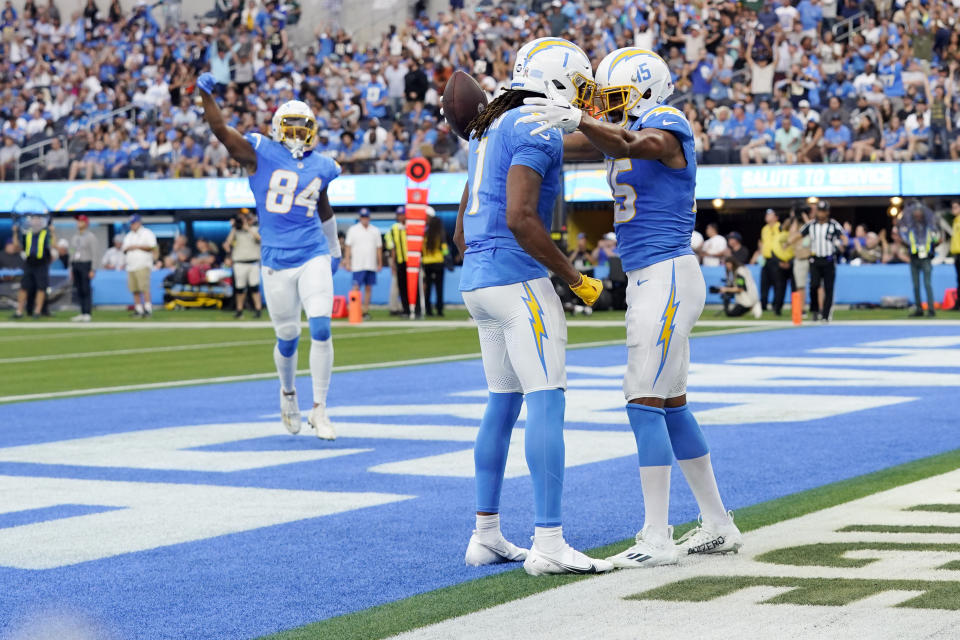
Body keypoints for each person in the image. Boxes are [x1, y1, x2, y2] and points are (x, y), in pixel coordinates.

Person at [520, 47, 742, 568]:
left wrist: (578, 117)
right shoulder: (613, 133)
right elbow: (570, 141)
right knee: (671, 403)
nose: (606, 107)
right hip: (649, 279)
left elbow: (636, 142)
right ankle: (718, 523)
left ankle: (657, 536)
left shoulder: (665, 122)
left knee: (641, 398)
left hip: (667, 273)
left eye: (616, 97)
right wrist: (524, 120)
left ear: (645, 91)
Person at [453, 37, 610, 577]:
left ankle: (486, 534)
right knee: (547, 399)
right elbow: (522, 217)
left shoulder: (492, 126)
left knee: (501, 403)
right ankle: (549, 542)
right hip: (518, 281)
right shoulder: (534, 127)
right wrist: (574, 277)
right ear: (557, 79)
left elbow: (461, 227)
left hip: (478, 279)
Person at [197, 71, 341, 440]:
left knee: (321, 327)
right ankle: (288, 393)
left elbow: (323, 208)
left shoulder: (322, 165)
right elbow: (221, 131)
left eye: (302, 127)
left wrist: (334, 249)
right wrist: (204, 95)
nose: (296, 133)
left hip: (313, 253)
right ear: (278, 128)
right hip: (277, 259)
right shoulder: (259, 152)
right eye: (290, 126)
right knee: (289, 336)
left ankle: (320, 409)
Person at [796, 200, 844, 322]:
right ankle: (815, 310)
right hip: (815, 259)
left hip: (828, 259)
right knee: (813, 285)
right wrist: (787, 243)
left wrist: (843, 243)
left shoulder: (833, 225)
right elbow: (799, 234)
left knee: (828, 288)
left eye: (823, 211)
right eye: (819, 211)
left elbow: (843, 237)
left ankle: (826, 314)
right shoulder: (811, 225)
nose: (821, 214)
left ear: (827, 212)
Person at [898, 202, 939, 317]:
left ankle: (931, 310)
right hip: (914, 258)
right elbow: (905, 239)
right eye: (915, 212)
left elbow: (936, 239)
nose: (917, 214)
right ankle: (919, 309)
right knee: (915, 285)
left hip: (925, 258)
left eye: (919, 212)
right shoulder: (910, 228)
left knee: (927, 284)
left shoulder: (929, 227)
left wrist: (933, 245)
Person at [343, 209, 382, 320]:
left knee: (369, 288)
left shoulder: (375, 230)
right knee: (356, 287)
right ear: (360, 218)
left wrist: (379, 262)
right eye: (363, 217)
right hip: (358, 264)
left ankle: (365, 310)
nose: (365, 219)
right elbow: (348, 246)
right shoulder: (353, 230)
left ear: (369, 218)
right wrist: (347, 261)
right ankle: (354, 309)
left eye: (366, 217)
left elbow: (378, 247)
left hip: (371, 264)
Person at [13, 215, 55, 319]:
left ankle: (37, 311)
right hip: (29, 262)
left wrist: (53, 232)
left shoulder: (45, 233)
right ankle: (19, 311)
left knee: (41, 287)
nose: (35, 222)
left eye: (37, 220)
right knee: (24, 287)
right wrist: (14, 232)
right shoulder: (27, 234)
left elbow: (54, 245)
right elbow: (17, 247)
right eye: (33, 220)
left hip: (41, 263)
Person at [225, 209, 263, 318]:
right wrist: (234, 228)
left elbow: (259, 238)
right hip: (240, 262)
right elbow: (227, 243)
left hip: (253, 262)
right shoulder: (236, 231)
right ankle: (239, 309)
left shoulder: (255, 229)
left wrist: (248, 228)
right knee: (240, 288)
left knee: (254, 287)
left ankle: (258, 309)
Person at [383, 206, 420, 317]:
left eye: (403, 214)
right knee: (402, 287)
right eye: (399, 215)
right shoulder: (394, 229)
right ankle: (406, 310)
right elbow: (392, 247)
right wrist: (393, 263)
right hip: (400, 261)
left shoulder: (411, 227)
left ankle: (417, 309)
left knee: (414, 286)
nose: (401, 217)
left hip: (412, 261)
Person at [121, 214, 157, 318]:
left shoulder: (147, 233)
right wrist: (130, 248)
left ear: (139, 223)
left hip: (143, 264)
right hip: (131, 265)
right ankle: (138, 309)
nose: (132, 225)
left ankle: (148, 309)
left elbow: (152, 246)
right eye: (131, 223)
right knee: (134, 289)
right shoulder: (129, 235)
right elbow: (124, 249)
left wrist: (137, 246)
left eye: (134, 223)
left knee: (144, 288)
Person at [69, 214, 98, 322]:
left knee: (86, 288)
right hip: (76, 264)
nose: (78, 224)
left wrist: (93, 269)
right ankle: (82, 312)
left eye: (81, 221)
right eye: (78, 222)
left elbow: (94, 253)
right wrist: (71, 267)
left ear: (86, 223)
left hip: (86, 264)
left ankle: (87, 312)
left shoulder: (91, 237)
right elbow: (72, 251)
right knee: (79, 288)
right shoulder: (75, 237)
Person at [422, 215, 448, 317]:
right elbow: (445, 249)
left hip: (427, 263)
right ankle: (439, 310)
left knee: (428, 288)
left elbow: (421, 249)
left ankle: (428, 310)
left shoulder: (425, 234)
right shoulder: (440, 235)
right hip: (438, 263)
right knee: (439, 288)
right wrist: (447, 259)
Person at [759, 209, 780, 311]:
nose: (767, 216)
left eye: (770, 215)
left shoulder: (779, 227)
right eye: (767, 214)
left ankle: (775, 305)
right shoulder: (764, 229)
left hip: (776, 259)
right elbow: (763, 243)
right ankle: (763, 305)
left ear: (776, 217)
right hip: (766, 259)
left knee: (777, 283)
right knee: (764, 283)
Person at [950, 200, 960, 310]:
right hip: (957, 253)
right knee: (958, 279)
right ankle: (958, 304)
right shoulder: (955, 220)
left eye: (956, 207)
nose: (953, 210)